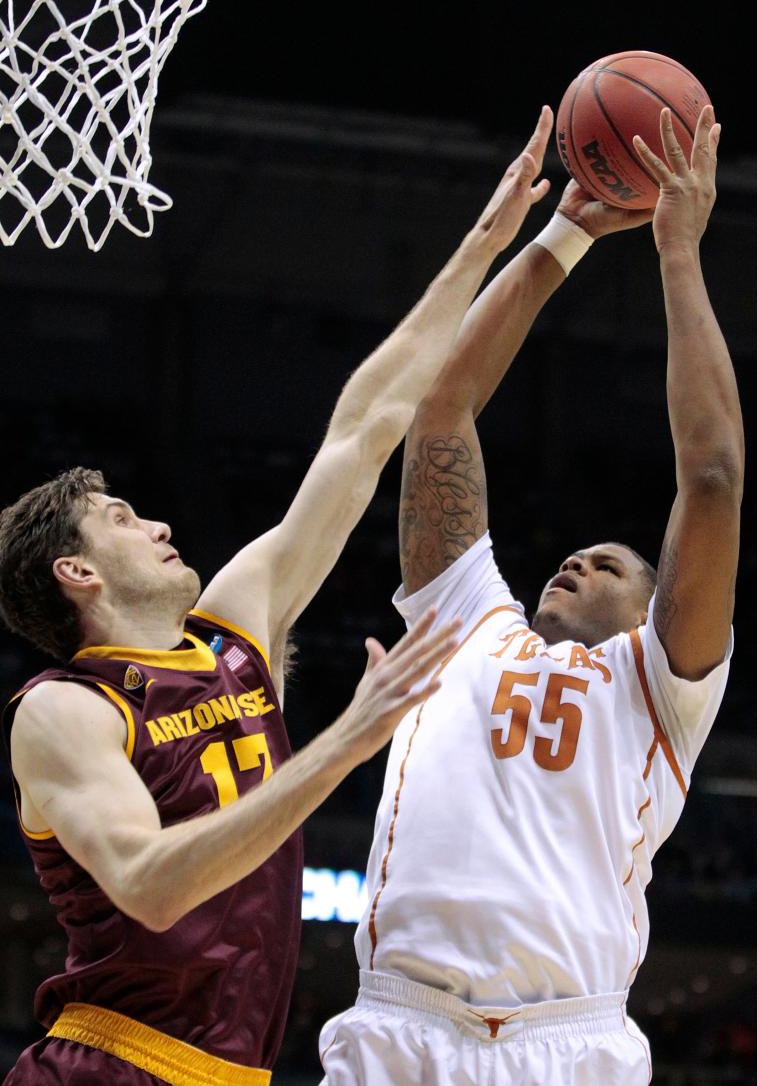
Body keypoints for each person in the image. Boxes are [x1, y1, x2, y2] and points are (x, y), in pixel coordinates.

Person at [0, 107, 556, 1086]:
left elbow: (367, 426)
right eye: (123, 518)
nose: (159, 524)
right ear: (76, 574)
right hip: (107, 1067)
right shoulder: (63, 712)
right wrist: (349, 736)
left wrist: (489, 240)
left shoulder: (232, 631)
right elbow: (149, 885)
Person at [319, 105, 743, 1085]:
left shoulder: (663, 688)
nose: (577, 565)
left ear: (657, 602)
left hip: (571, 1040)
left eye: (611, 563)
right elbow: (440, 416)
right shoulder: (467, 623)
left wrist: (678, 250)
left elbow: (712, 477)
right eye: (572, 557)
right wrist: (568, 234)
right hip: (401, 1029)